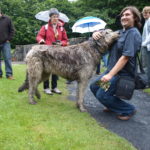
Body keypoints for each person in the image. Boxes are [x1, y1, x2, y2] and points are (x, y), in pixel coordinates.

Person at [90, 6, 142, 121]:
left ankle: (128, 109)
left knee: (102, 95)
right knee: (94, 87)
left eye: (127, 15)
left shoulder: (133, 33)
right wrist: (96, 33)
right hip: (113, 71)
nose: (124, 17)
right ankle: (112, 105)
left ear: (135, 18)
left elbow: (125, 57)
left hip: (122, 74)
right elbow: (105, 35)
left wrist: (110, 75)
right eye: (123, 15)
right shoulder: (120, 32)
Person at [36, 8, 68, 95]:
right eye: (54, 17)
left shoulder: (61, 28)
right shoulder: (45, 27)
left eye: (57, 17)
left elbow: (66, 40)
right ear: (50, 18)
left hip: (58, 51)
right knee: (47, 70)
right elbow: (39, 36)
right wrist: (42, 41)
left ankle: (54, 87)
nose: (56, 18)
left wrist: (61, 43)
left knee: (56, 69)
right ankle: (46, 88)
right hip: (47, 51)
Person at [0, 8, 15, 80]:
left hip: (5, 43)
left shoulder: (7, 19)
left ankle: (9, 75)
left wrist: (9, 39)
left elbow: (12, 30)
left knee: (7, 58)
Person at [141, 6, 150, 87]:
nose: (144, 14)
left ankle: (147, 83)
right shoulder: (147, 21)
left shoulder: (149, 21)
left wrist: (144, 43)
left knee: (146, 66)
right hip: (146, 46)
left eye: (146, 13)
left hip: (146, 47)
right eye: (144, 13)